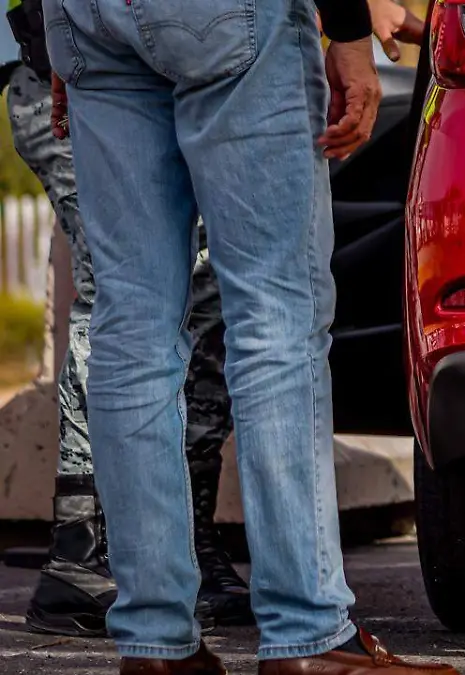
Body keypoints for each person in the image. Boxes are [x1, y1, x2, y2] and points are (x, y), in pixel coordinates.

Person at [43, 0, 458, 673]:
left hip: (84, 17)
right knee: (276, 315)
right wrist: (350, 32)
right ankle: (308, 629)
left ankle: (154, 640)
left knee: (130, 323)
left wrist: (52, 36)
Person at [3, 0, 253, 634]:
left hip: (165, 69)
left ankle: (182, 540)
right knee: (121, 299)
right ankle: (84, 550)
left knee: (200, 300)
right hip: (80, 74)